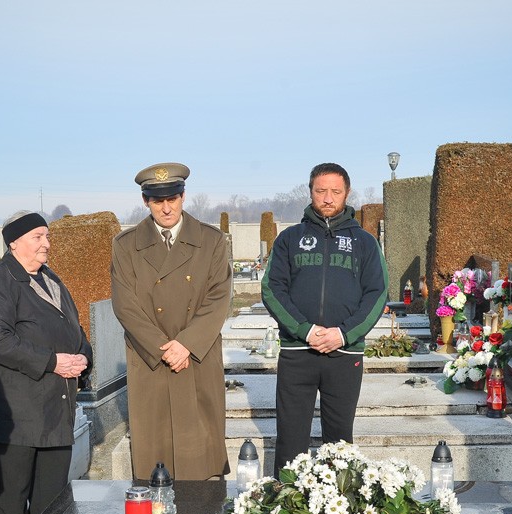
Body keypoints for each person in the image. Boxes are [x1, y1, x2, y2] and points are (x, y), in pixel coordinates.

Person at [0, 211, 91, 514]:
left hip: (55, 417)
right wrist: (53, 362)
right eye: (38, 236)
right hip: (15, 422)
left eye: (48, 236)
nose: (47, 244)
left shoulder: (52, 280)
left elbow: (76, 331)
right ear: (14, 242)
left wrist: (83, 358)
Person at [262, 162, 388, 469]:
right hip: (297, 352)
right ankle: (287, 506)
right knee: (291, 439)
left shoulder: (364, 243)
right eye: (321, 191)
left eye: (335, 191)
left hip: (343, 353)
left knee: (340, 440)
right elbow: (272, 289)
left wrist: (343, 333)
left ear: (346, 193)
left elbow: (377, 293)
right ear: (311, 192)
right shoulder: (290, 239)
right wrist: (304, 330)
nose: (328, 198)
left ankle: (339, 511)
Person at [111, 162, 231, 479]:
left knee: (200, 459)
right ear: (145, 201)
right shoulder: (126, 245)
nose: (166, 208)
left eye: (173, 198)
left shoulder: (212, 241)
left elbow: (219, 297)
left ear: (183, 196)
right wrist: (165, 349)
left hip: (196, 359)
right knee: (156, 458)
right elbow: (126, 305)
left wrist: (186, 345)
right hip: (152, 360)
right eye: (157, 200)